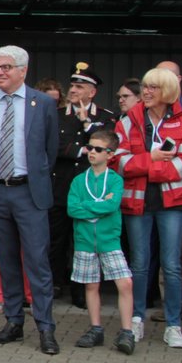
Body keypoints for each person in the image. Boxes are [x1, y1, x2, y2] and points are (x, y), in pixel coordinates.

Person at [0, 45, 62, 356]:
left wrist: (34, 178)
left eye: (6, 67)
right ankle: (13, 322)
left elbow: (50, 150)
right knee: (6, 260)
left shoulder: (42, 104)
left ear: (23, 71)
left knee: (38, 262)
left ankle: (45, 326)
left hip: (29, 192)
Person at [115, 67, 182, 349]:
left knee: (172, 265)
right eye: (145, 87)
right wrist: (152, 159)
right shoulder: (128, 120)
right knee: (138, 264)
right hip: (137, 200)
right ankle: (136, 318)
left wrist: (147, 168)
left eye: (153, 87)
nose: (146, 92)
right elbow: (119, 162)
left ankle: (174, 325)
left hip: (172, 203)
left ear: (167, 91)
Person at [52, 62, 117, 307]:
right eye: (72, 85)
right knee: (56, 239)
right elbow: (54, 147)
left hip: (90, 190)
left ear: (92, 92)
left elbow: (108, 146)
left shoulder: (105, 118)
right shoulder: (57, 115)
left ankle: (81, 290)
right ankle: (55, 282)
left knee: (85, 241)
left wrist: (87, 124)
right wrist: (85, 151)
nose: (74, 90)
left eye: (80, 86)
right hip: (61, 186)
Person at [67, 124, 135, 353]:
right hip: (85, 241)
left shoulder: (115, 180)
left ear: (110, 155)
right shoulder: (78, 180)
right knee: (91, 285)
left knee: (124, 283)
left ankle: (127, 331)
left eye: (98, 149)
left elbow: (112, 205)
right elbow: (72, 209)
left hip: (109, 240)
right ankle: (96, 328)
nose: (92, 152)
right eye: (89, 147)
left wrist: (91, 206)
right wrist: (97, 205)